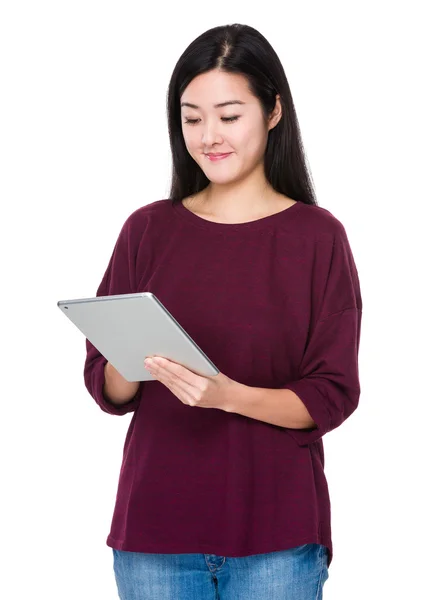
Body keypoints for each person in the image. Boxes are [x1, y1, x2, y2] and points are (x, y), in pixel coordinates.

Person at [84, 23, 362, 600]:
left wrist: (225, 395)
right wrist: (127, 360)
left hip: (277, 540)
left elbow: (332, 393)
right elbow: (107, 387)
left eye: (229, 116)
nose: (209, 135)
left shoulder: (317, 237)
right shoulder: (147, 230)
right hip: (153, 537)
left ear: (273, 111)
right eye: (191, 118)